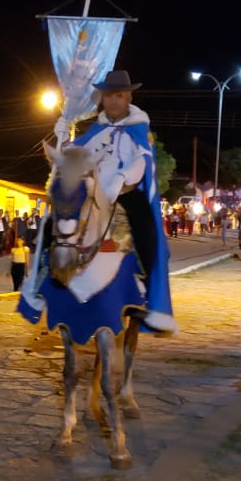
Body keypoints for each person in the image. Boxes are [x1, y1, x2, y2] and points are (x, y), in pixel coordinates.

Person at [63, 70, 175, 334]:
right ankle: (48, 276)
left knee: (148, 232)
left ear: (128, 97)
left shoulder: (139, 127)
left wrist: (123, 178)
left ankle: (147, 291)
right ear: (102, 98)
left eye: (119, 95)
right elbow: (81, 151)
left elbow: (142, 160)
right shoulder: (97, 128)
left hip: (127, 193)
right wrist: (66, 147)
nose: (113, 101)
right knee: (60, 218)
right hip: (94, 192)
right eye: (108, 96)